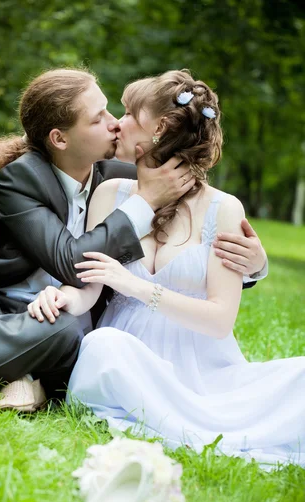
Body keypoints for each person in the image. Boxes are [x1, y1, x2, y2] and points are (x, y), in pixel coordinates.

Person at [0, 68, 266, 405]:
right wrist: (144, 202)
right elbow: (71, 261)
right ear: (59, 138)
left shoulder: (125, 176)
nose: (114, 125)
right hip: (2, 310)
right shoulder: (20, 179)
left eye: (113, 112)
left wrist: (253, 266)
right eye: (98, 119)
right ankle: (4, 371)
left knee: (60, 326)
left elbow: (192, 219)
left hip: (56, 323)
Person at [31, 70, 304, 468]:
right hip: (126, 357)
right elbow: (89, 286)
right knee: (104, 346)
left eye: (127, 114)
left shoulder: (222, 209)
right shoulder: (110, 194)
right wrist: (63, 294)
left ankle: (192, 417)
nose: (116, 124)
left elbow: (219, 321)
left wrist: (135, 287)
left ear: (158, 129)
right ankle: (175, 419)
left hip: (200, 366)